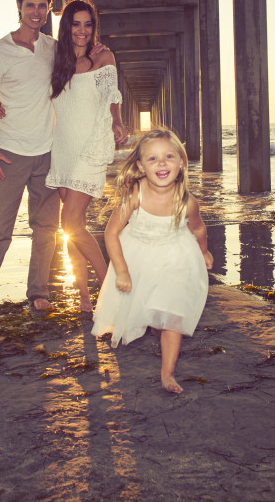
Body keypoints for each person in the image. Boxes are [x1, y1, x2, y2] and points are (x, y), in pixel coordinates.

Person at [91, 128, 213, 394]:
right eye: (153, 159)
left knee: (172, 316)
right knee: (141, 306)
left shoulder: (187, 202)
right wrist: (121, 270)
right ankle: (154, 324)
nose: (161, 163)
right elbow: (112, 233)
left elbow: (199, 228)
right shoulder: (135, 195)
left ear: (181, 163)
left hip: (176, 259)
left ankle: (167, 374)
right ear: (141, 166)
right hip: (138, 257)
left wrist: (203, 251)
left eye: (169, 156)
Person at [0, 0, 60, 320]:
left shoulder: (53, 48)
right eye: (30, 5)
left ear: (48, 9)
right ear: (19, 7)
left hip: (48, 152)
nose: (35, 11)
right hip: (10, 152)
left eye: (42, 5)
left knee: (46, 228)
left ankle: (38, 292)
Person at [44, 0, 128, 312]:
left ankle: (111, 288)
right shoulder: (56, 61)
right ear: (67, 26)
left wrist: (117, 122)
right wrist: (4, 104)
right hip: (61, 148)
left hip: (88, 149)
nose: (81, 30)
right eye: (76, 24)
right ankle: (83, 298)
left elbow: (112, 96)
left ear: (93, 27)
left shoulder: (103, 57)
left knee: (72, 223)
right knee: (72, 227)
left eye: (87, 24)